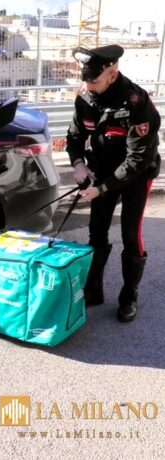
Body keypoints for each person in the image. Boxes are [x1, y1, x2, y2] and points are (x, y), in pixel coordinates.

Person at [67, 44, 161, 323]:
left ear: (112, 74)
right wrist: (78, 164)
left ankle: (129, 295)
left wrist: (102, 189)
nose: (88, 85)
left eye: (94, 80)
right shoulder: (85, 97)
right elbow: (74, 137)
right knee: (97, 232)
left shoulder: (136, 103)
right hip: (102, 169)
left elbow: (137, 160)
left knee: (131, 234)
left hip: (136, 175)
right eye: (85, 79)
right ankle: (93, 289)